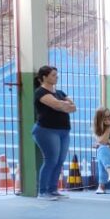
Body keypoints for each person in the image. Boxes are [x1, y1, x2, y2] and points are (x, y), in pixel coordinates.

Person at [31, 65, 76, 200]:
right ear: (44, 77)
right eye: (53, 75)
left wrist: (64, 105)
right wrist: (64, 105)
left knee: (60, 161)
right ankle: (43, 192)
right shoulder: (40, 92)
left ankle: (53, 190)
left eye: (56, 75)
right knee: (51, 160)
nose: (56, 77)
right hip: (46, 131)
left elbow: (73, 107)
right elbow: (58, 105)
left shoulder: (60, 92)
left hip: (63, 131)